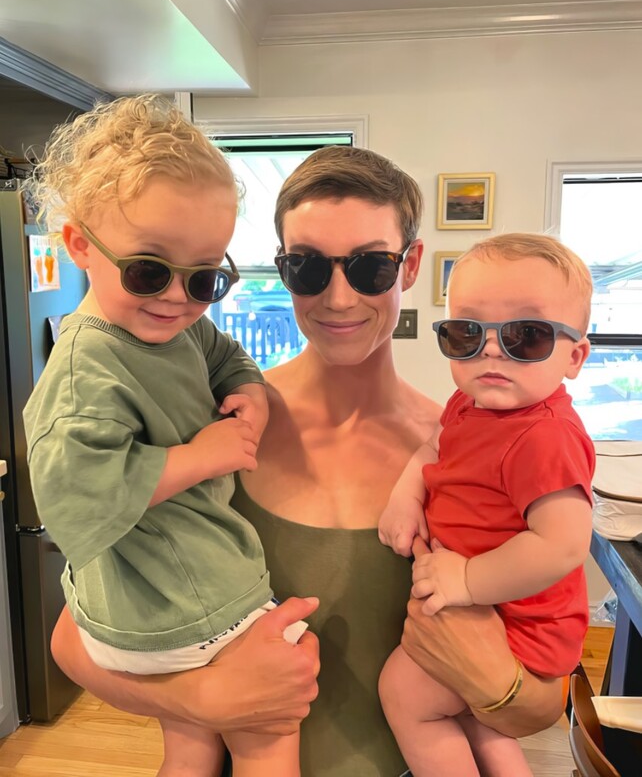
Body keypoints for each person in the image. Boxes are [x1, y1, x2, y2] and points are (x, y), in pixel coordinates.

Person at [49, 147, 573, 777]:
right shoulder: (217, 433)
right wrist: (199, 698)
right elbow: (73, 638)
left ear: (409, 266)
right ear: (283, 270)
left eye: (371, 267)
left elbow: (544, 698)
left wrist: (493, 681)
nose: (339, 298)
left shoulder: (468, 454)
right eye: (307, 267)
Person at [22, 94, 317, 777]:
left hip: (152, 604)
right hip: (177, 606)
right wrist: (196, 457)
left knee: (191, 745)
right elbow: (75, 501)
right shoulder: (85, 370)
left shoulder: (179, 328)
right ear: (79, 246)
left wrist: (249, 393)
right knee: (271, 725)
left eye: (206, 277)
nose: (179, 298)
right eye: (149, 270)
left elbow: (226, 356)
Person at [378, 233, 595, 777]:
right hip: (487, 608)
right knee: (476, 723)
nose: (491, 351)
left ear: (574, 356)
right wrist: (407, 492)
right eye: (466, 333)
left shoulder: (544, 436)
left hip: (519, 622)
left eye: (527, 336)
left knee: (405, 693)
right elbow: (435, 448)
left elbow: (563, 544)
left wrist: (467, 580)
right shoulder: (468, 402)